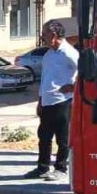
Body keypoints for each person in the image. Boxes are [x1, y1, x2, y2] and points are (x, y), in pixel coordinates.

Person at [27, 20, 78, 182]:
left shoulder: (69, 53)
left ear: (54, 35)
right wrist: (40, 100)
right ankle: (42, 167)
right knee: (44, 136)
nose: (43, 37)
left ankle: (61, 168)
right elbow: (45, 79)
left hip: (63, 101)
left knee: (62, 138)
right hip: (47, 101)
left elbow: (85, 72)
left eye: (45, 34)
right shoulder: (48, 54)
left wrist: (73, 86)